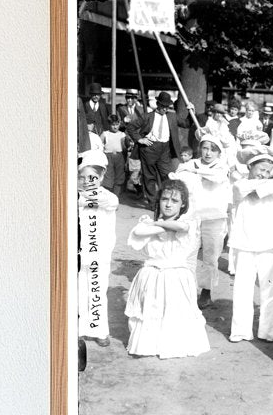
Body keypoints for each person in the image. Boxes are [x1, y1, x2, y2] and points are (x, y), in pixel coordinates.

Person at [124, 179, 209, 359]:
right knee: (152, 308)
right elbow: (138, 232)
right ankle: (150, 344)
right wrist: (157, 225)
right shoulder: (148, 222)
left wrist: (156, 224)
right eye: (165, 200)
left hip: (176, 273)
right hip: (153, 272)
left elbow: (181, 227)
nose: (169, 204)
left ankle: (171, 345)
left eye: (174, 201)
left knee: (174, 310)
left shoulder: (188, 222)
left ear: (183, 204)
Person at [228, 147, 273, 343]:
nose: (264, 174)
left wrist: (254, 183)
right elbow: (239, 190)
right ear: (250, 167)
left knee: (269, 289)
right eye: (260, 169)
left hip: (268, 242)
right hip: (244, 242)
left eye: (268, 171)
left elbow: (264, 189)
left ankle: (268, 331)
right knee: (242, 288)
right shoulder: (239, 184)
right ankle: (241, 330)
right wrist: (247, 183)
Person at [172, 134, 231, 308]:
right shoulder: (190, 164)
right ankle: (187, 290)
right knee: (188, 252)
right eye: (205, 148)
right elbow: (178, 176)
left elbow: (217, 177)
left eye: (213, 149)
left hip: (214, 217)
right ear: (199, 149)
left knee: (211, 256)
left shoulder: (221, 166)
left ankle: (206, 291)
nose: (208, 153)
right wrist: (191, 170)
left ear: (219, 152)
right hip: (192, 215)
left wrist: (195, 172)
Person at [76, 151, 119, 347]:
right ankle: (78, 329)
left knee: (97, 290)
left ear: (101, 177)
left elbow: (101, 202)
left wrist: (81, 200)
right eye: (82, 177)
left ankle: (99, 330)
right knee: (78, 289)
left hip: (99, 254)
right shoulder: (74, 196)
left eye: (92, 177)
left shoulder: (108, 197)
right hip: (78, 253)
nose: (86, 182)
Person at [125, 90, 183, 209]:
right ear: (158, 104)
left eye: (167, 107)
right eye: (163, 107)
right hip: (149, 149)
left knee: (167, 176)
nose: (165, 109)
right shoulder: (148, 116)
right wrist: (140, 139)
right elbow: (131, 127)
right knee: (149, 176)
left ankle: (166, 200)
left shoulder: (172, 116)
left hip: (165, 149)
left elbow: (186, 123)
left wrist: (190, 109)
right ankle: (152, 203)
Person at [100, 113, 129, 197]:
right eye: (113, 125)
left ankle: (115, 197)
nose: (115, 127)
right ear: (109, 124)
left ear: (119, 124)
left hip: (119, 157)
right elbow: (99, 144)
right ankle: (107, 197)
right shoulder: (105, 134)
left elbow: (126, 146)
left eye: (117, 124)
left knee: (119, 177)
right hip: (108, 156)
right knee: (108, 176)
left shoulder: (122, 135)